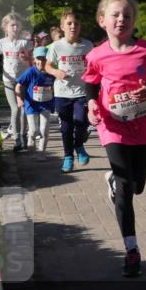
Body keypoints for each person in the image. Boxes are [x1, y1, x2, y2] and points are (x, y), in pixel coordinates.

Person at [84, 0, 146, 278]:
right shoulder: (96, 54)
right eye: (115, 14)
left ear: (134, 22)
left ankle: (115, 180)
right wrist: (92, 103)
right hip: (111, 124)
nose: (121, 19)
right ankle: (131, 250)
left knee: (137, 186)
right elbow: (91, 83)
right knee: (125, 187)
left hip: (140, 122)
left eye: (127, 15)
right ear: (102, 20)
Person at [46, 10, 95, 172]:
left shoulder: (87, 45)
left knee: (82, 122)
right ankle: (68, 156)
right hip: (62, 93)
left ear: (80, 26)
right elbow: (47, 65)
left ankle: (79, 145)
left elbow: (94, 64)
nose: (73, 26)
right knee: (66, 127)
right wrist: (56, 72)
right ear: (62, 26)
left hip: (82, 91)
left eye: (76, 23)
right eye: (69, 23)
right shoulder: (56, 46)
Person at [0, 13, 33, 152]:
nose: (15, 28)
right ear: (5, 28)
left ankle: (23, 136)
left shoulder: (25, 42)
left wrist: (26, 58)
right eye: (12, 25)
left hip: (23, 80)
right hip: (8, 80)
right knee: (15, 108)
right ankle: (16, 139)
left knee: (23, 109)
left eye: (17, 25)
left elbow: (32, 61)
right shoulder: (1, 43)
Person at [15, 47, 56, 160]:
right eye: (39, 59)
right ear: (34, 60)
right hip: (31, 104)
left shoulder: (51, 72)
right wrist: (19, 99)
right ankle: (30, 139)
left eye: (44, 59)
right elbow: (18, 85)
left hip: (46, 104)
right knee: (33, 130)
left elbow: (57, 86)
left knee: (44, 130)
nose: (42, 61)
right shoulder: (30, 71)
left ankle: (41, 153)